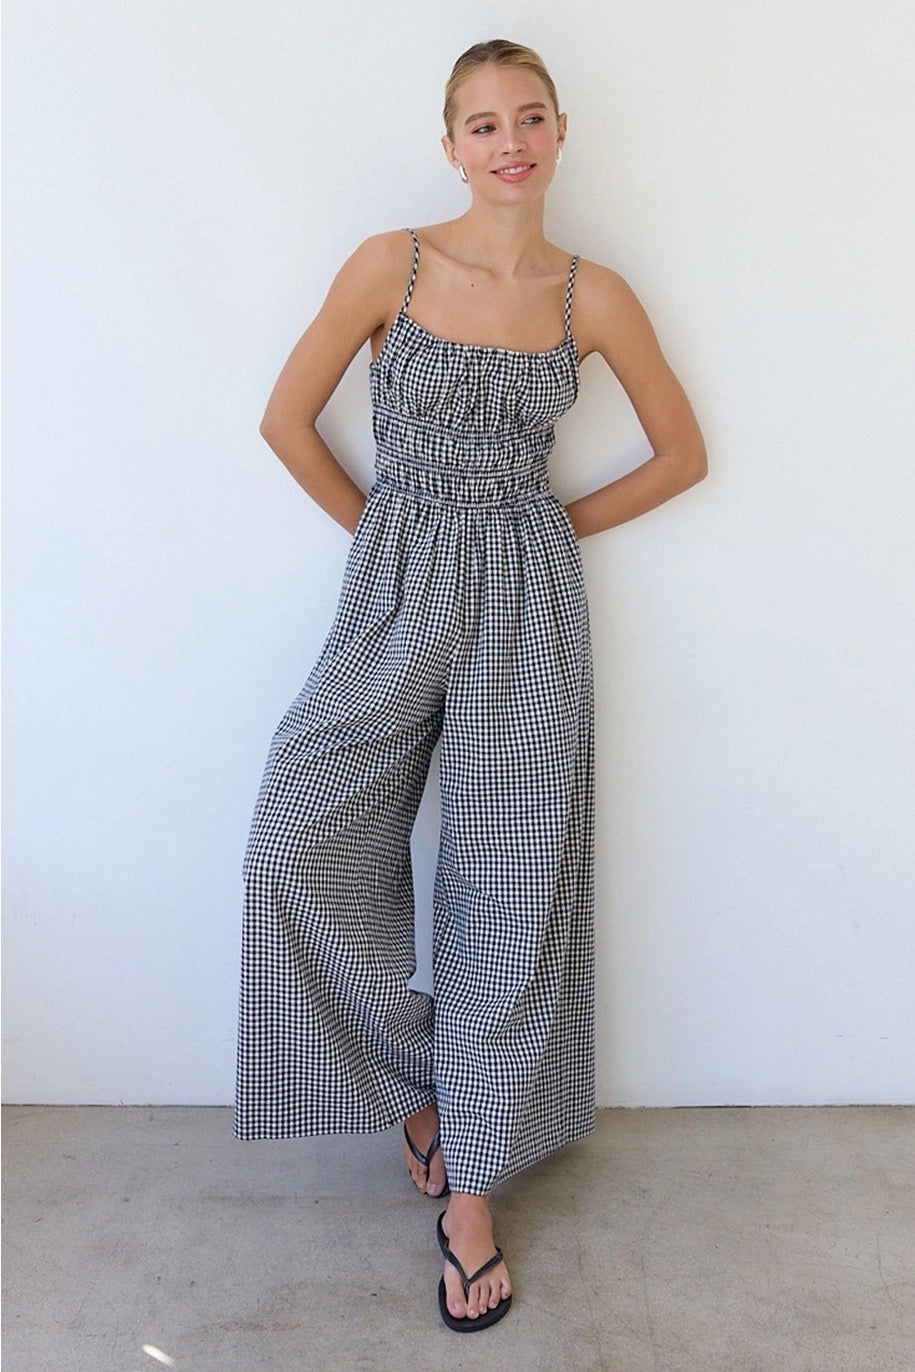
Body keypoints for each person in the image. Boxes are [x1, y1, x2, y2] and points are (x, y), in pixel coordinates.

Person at [235, 38, 707, 1333]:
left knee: (508, 889)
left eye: (532, 118)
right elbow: (286, 419)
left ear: (561, 134)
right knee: (294, 838)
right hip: (395, 591)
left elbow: (682, 457)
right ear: (451, 146)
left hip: (528, 611)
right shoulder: (390, 264)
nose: (511, 141)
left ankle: (471, 1199)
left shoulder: (588, 298)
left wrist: (542, 533)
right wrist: (390, 540)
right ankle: (423, 1094)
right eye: (484, 123)